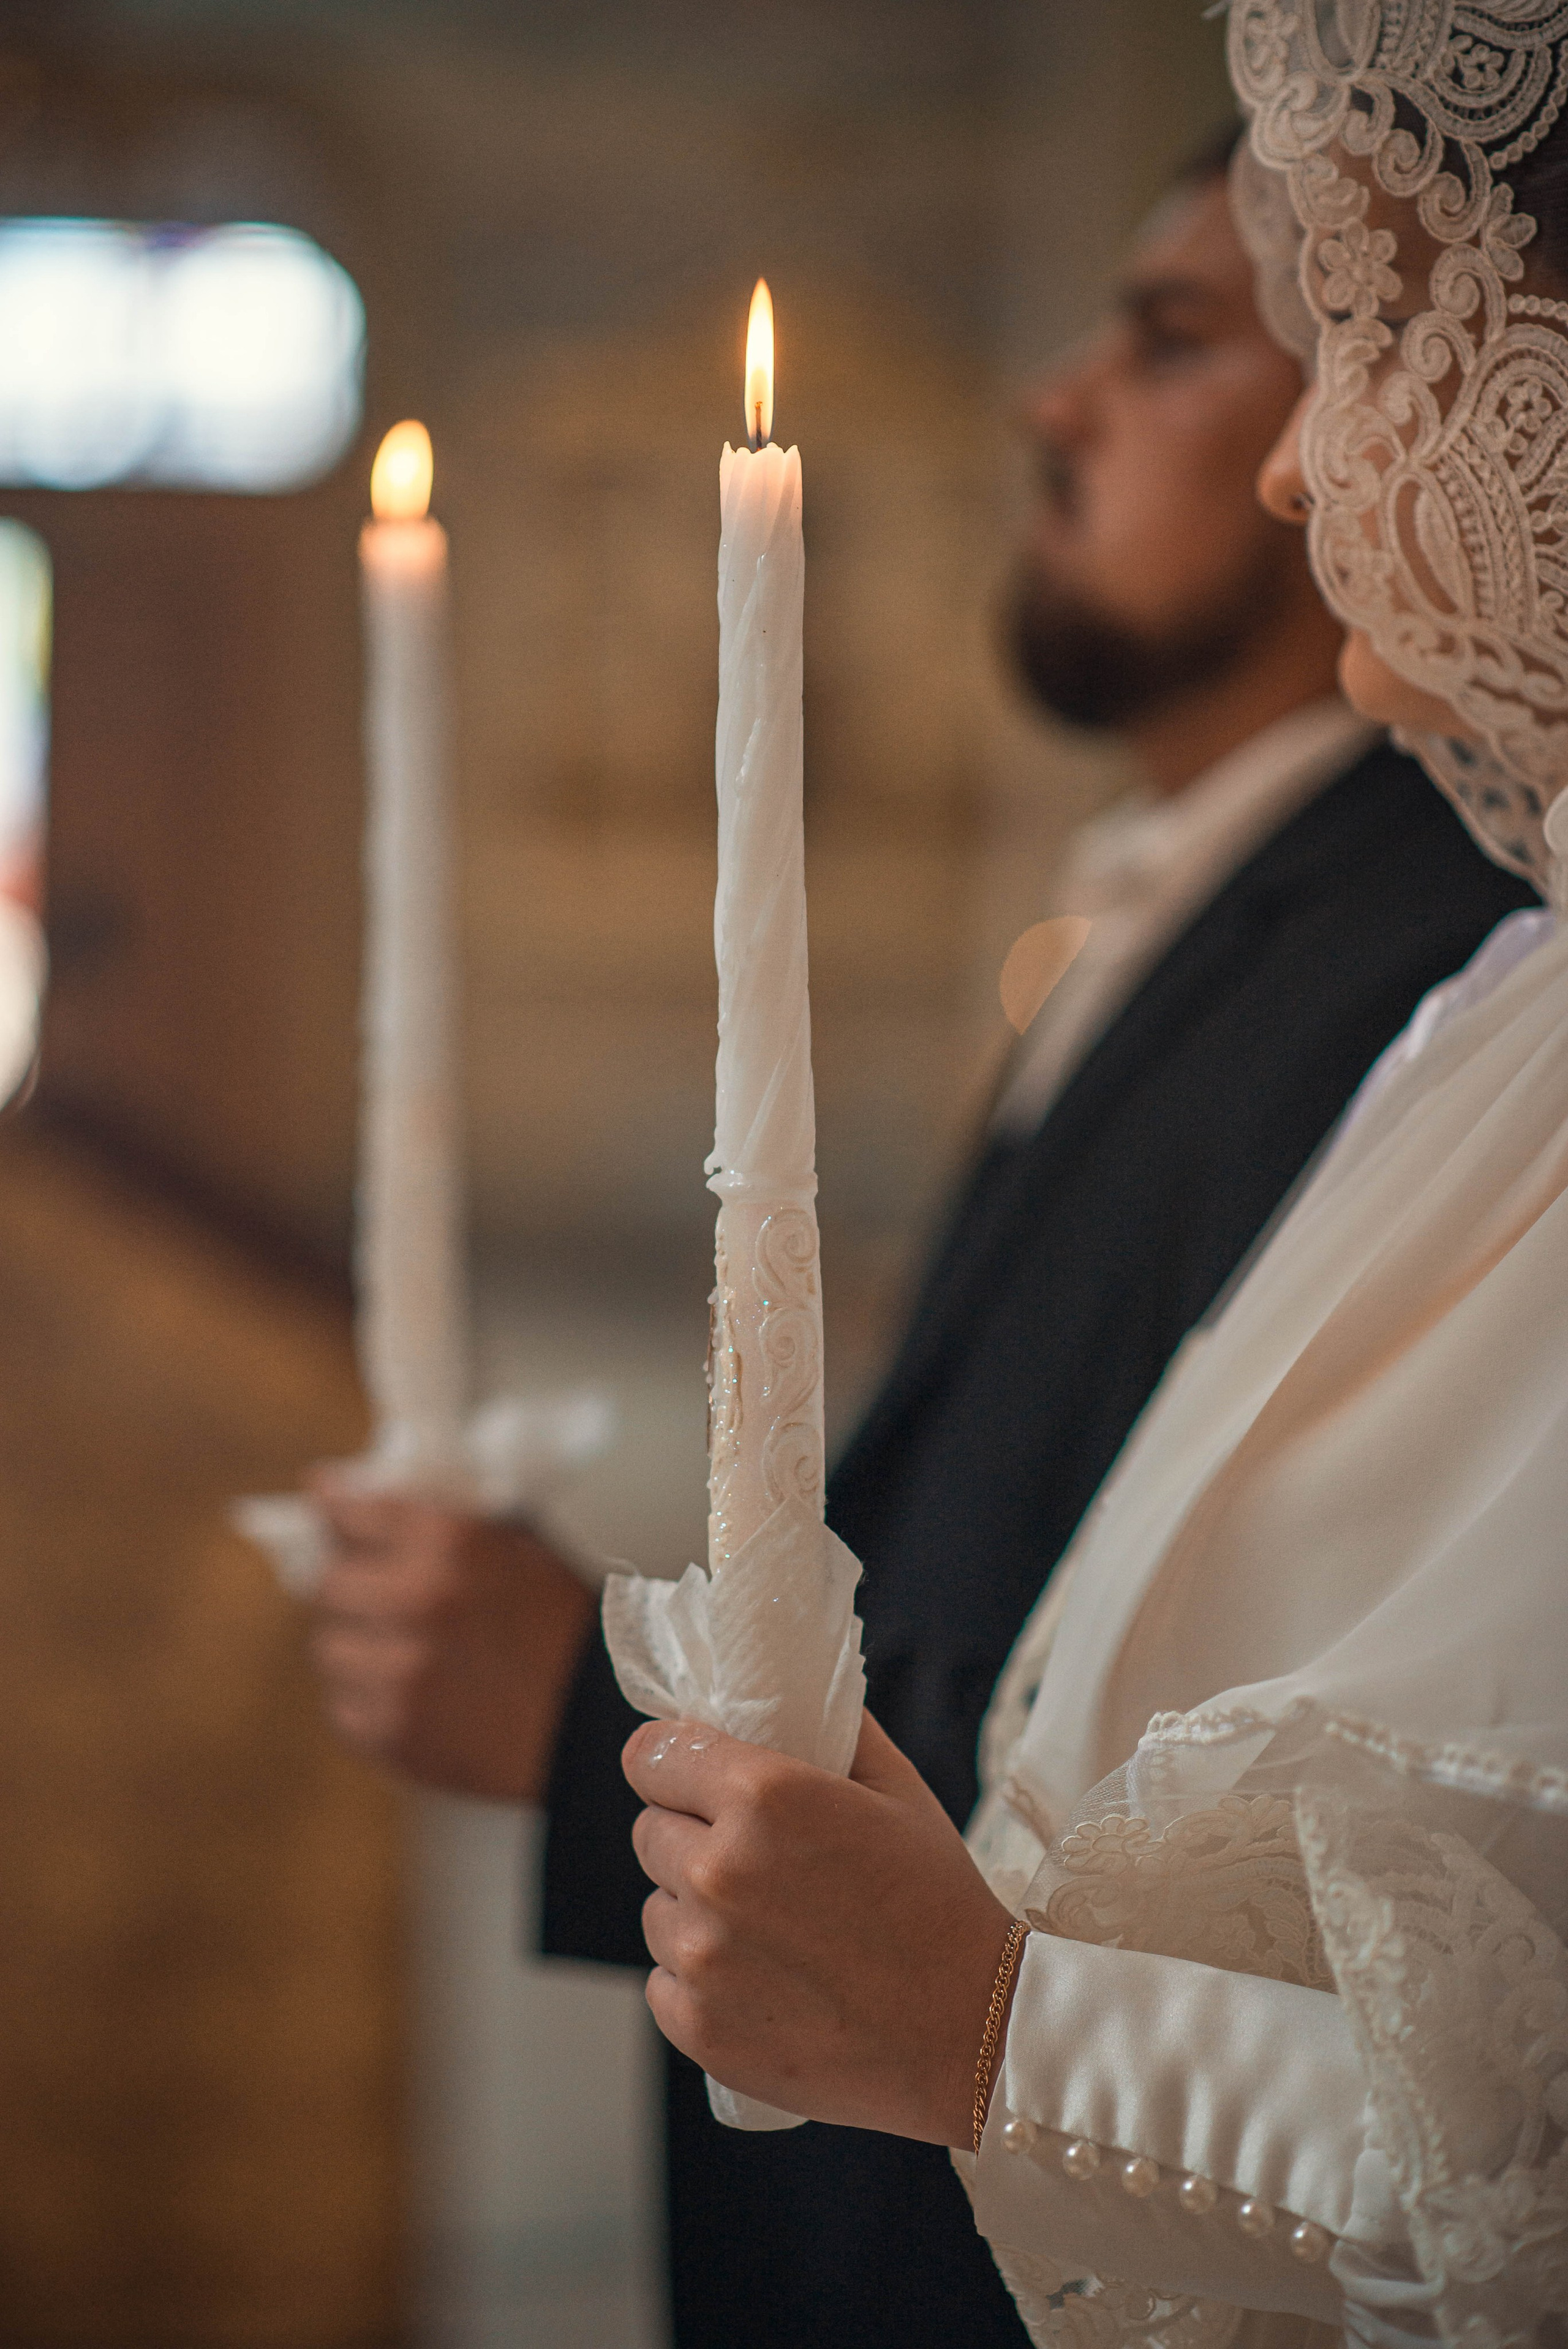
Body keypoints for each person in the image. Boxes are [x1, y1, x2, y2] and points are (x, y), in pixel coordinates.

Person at [307, 125, 1537, 2349]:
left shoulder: (1436, 947)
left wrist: (593, 1729)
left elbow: (1248, 1767)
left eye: (1174, 338)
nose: (1051, 398)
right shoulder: (1206, 902)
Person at [620, 7, 1568, 2340]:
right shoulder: (1491, 1030)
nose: (1293, 478)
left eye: (1375, 342)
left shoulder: (1426, 967)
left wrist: (996, 2036)